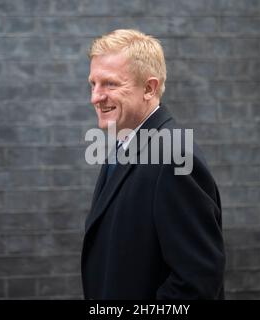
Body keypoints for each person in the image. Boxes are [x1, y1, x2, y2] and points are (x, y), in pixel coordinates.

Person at [81, 29, 225, 299]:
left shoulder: (173, 158)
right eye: (93, 84)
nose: (96, 97)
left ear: (150, 88)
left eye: (110, 84)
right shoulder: (125, 144)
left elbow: (197, 280)